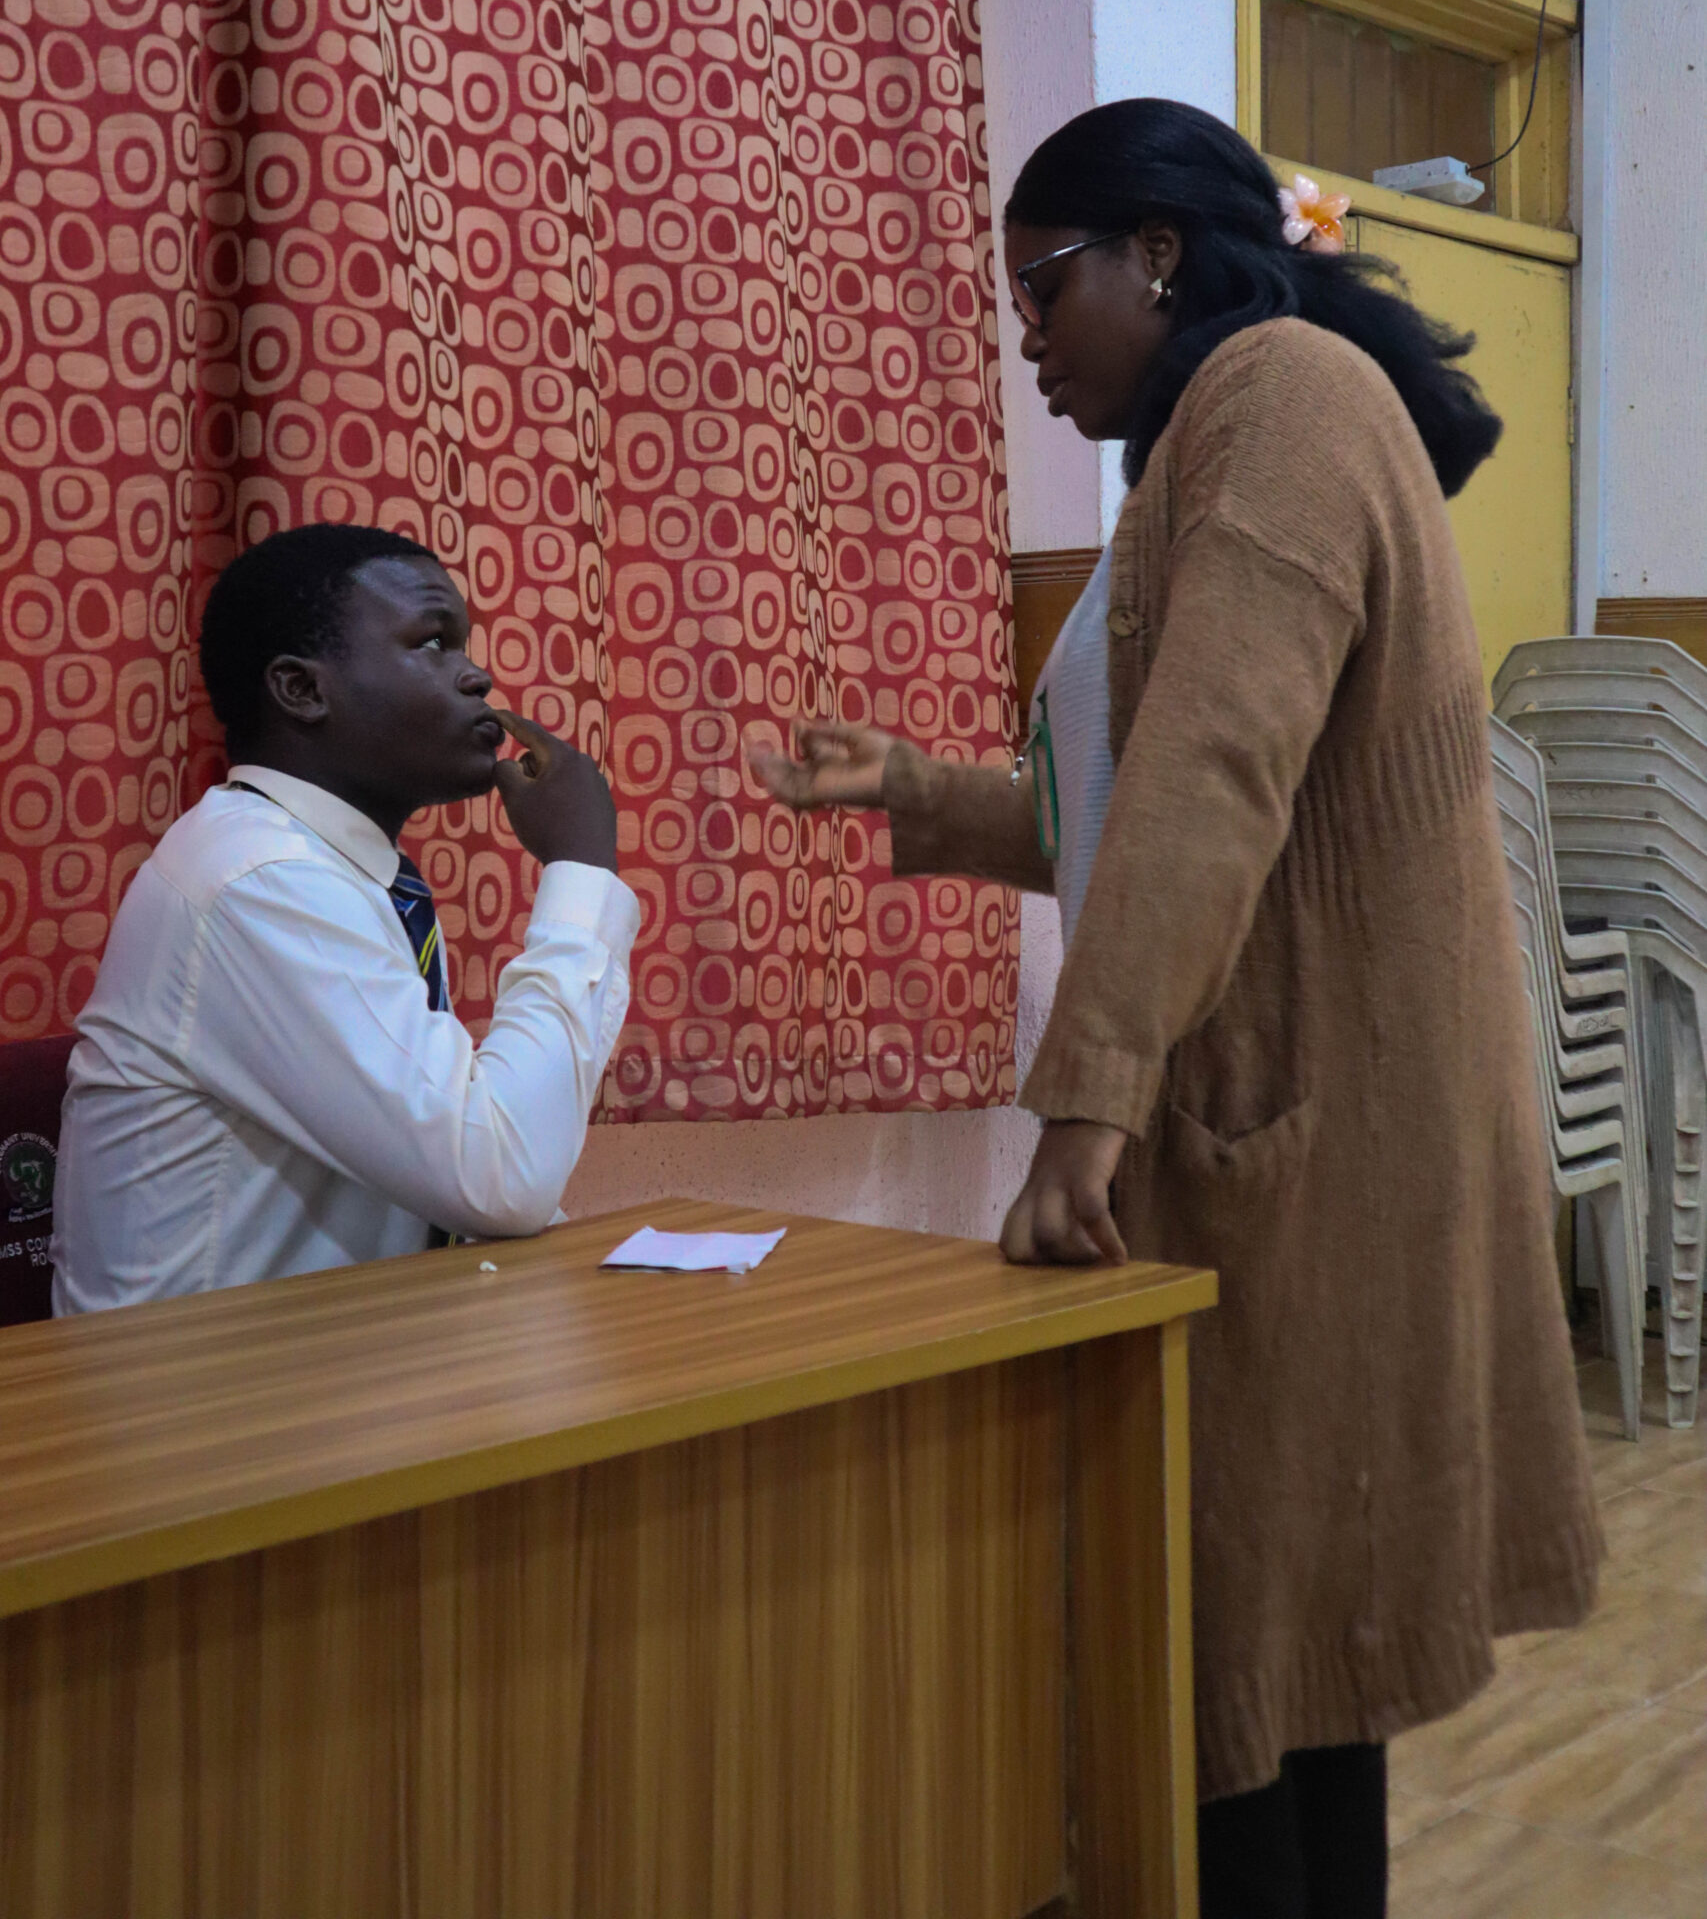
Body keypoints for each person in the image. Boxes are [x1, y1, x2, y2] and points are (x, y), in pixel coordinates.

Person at [751, 99, 1600, 1919]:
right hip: (1286, 1112)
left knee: (1238, 1648)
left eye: (1042, 287)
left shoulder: (1279, 403)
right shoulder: (1216, 434)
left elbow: (1213, 776)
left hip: (1307, 1128)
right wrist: (920, 791)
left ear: (1155, 253)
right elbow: (1143, 805)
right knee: (1275, 1662)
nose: (1025, 339)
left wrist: (1089, 1106)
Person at [53, 524, 635, 1313]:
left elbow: (469, 1173)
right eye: (433, 643)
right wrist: (580, 870)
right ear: (301, 690)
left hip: (338, 1346)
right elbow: (501, 1175)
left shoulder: (343, 873)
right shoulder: (260, 880)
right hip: (205, 1381)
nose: (478, 675)